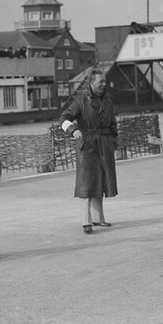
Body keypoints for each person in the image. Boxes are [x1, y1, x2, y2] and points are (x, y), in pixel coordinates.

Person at [60, 70, 118, 234]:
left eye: (104, 81)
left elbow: (112, 124)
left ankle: (98, 219)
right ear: (91, 83)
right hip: (87, 146)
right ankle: (86, 222)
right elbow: (63, 118)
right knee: (86, 183)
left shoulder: (108, 101)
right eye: (100, 82)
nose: (104, 84)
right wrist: (72, 130)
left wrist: (113, 141)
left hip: (104, 145)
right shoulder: (80, 102)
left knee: (101, 180)